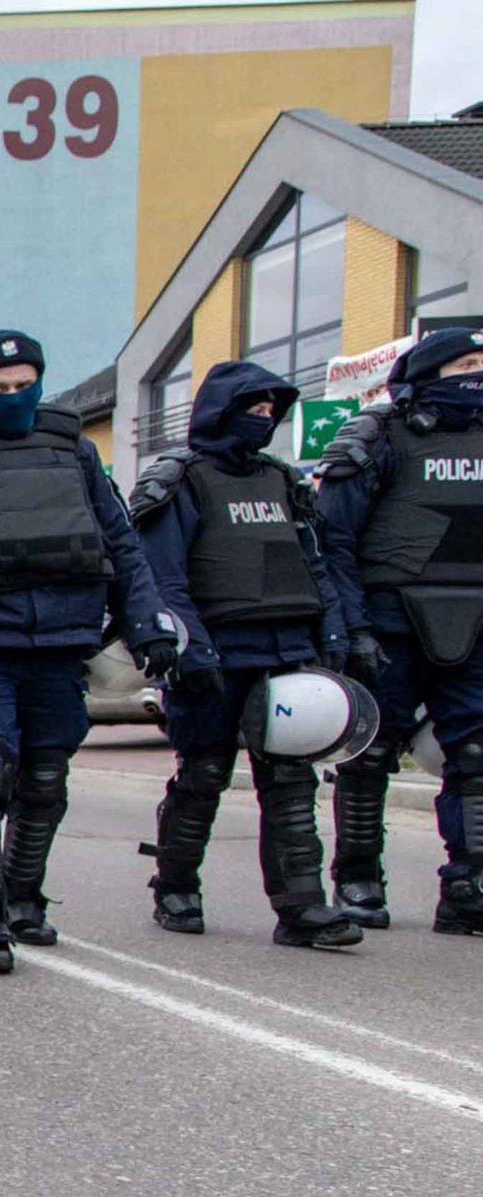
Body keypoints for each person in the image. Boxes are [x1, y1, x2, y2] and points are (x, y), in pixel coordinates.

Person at [0, 331, 178, 972]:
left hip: (61, 643)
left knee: (45, 781)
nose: (14, 398)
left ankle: (23, 900)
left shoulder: (72, 449)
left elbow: (122, 546)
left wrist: (148, 624)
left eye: (25, 386)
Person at [131, 359, 365, 947]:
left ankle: (301, 908)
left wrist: (334, 635)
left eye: (269, 412)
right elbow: (162, 575)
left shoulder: (283, 481)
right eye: (250, 409)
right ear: (220, 411)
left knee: (290, 780)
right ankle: (176, 887)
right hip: (211, 655)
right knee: (204, 774)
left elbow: (315, 565)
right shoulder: (179, 479)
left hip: (284, 652)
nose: (261, 421)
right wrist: (191, 649)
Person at [315, 327, 483, 935]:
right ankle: (358, 878)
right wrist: (349, 629)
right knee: (369, 753)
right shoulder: (377, 436)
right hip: (388, 624)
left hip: (475, 624)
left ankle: (470, 886)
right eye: (467, 364)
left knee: (476, 756)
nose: (478, 375)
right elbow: (333, 542)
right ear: (432, 372)